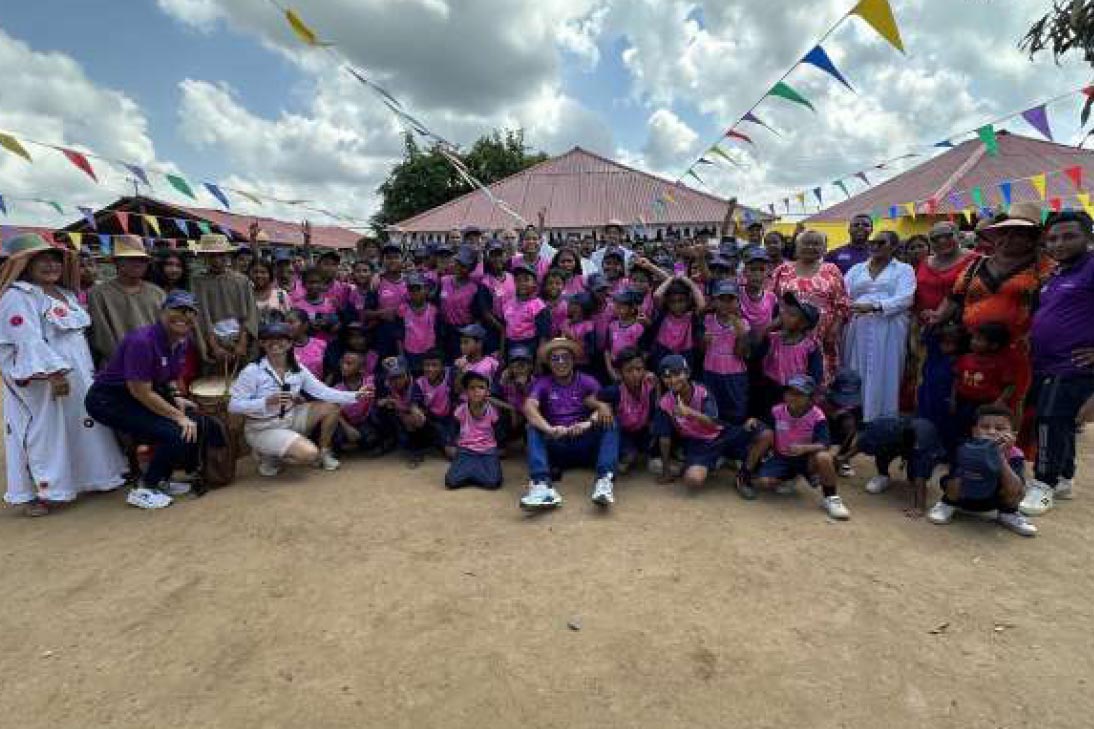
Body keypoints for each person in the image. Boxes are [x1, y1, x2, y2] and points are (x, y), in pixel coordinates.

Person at [1, 233, 128, 515]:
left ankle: (92, 477)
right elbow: (26, 339)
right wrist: (54, 373)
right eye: (41, 260)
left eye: (54, 259)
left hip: (79, 374)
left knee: (83, 424)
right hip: (42, 379)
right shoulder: (17, 296)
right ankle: (45, 490)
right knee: (45, 431)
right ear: (24, 264)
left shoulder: (67, 294)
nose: (50, 265)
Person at [925, 202, 1054, 444]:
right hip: (974, 346)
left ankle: (1006, 459)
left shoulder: (1044, 267)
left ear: (1032, 238)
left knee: (1008, 403)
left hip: (1017, 352)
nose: (1007, 238)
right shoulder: (977, 264)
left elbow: (1057, 305)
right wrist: (937, 317)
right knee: (967, 397)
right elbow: (954, 297)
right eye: (1003, 232)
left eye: (1017, 233)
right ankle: (966, 453)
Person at [85, 291, 217, 510]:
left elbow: (169, 378)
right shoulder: (142, 341)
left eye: (189, 312)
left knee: (195, 422)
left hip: (135, 397)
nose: (182, 316)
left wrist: (176, 399)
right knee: (177, 431)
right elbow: (140, 391)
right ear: (162, 312)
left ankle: (161, 479)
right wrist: (178, 417)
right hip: (108, 401)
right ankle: (145, 487)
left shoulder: (182, 341)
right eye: (176, 310)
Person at [228, 321, 372, 476]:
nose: (275, 343)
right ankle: (268, 455)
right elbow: (234, 405)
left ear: (290, 343)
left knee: (331, 407)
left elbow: (322, 391)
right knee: (309, 454)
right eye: (269, 339)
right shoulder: (252, 371)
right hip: (263, 427)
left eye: (281, 339)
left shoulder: (297, 368)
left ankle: (325, 452)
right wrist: (266, 401)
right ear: (262, 343)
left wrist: (355, 395)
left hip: (289, 418)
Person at [1023, 211, 1094, 515]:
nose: (1059, 243)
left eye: (1069, 236)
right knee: (1060, 421)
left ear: (1088, 238)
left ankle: (1043, 485)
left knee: (1050, 421)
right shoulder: (1058, 272)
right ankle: (1064, 477)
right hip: (1046, 363)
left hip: (1071, 365)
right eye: (1052, 238)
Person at [522, 338, 619, 508]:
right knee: (532, 427)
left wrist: (587, 423)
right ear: (549, 363)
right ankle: (542, 485)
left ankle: (604, 481)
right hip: (557, 443)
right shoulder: (542, 383)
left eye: (565, 357)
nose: (561, 362)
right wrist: (550, 429)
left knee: (610, 421)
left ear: (573, 360)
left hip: (584, 441)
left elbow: (604, 406)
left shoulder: (587, 381)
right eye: (555, 358)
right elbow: (529, 407)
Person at [738, 375, 850, 520]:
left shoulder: (817, 416)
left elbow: (824, 443)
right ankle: (787, 476)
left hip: (806, 458)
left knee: (824, 456)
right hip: (782, 457)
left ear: (810, 398)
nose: (792, 397)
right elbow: (765, 425)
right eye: (789, 392)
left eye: (799, 394)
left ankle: (831, 498)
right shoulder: (777, 411)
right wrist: (754, 421)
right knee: (766, 482)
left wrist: (804, 448)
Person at [926, 404, 1037, 537]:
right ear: (974, 431)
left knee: (1020, 488)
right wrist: (979, 455)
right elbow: (954, 479)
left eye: (1000, 428)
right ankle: (947, 504)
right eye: (985, 427)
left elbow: (1015, 488)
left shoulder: (1015, 454)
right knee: (949, 479)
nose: (991, 432)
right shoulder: (964, 448)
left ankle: (1008, 513)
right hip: (964, 498)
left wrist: (999, 457)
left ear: (1012, 435)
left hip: (993, 500)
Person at [842, 231, 916, 422]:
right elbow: (843, 293)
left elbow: (906, 297)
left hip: (889, 327)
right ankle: (856, 418)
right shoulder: (856, 269)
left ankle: (883, 420)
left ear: (893, 246)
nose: (875, 246)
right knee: (857, 369)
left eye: (880, 242)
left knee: (887, 370)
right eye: (872, 242)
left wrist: (876, 306)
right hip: (858, 327)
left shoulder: (903, 269)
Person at [653, 354, 757, 490]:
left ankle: (743, 473)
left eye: (678, 374)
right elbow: (664, 438)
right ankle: (718, 459)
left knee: (764, 434)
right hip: (698, 444)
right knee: (693, 480)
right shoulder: (665, 403)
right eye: (667, 376)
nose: (672, 380)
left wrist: (689, 412)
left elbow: (713, 422)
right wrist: (666, 471)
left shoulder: (702, 391)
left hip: (721, 434)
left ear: (688, 373)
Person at [913, 222, 975, 439]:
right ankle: (928, 433)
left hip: (959, 332)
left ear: (957, 235)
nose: (941, 241)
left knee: (952, 382)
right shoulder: (924, 262)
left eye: (947, 236)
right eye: (935, 238)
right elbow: (917, 293)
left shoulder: (974, 260)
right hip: (929, 330)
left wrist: (943, 316)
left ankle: (951, 437)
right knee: (929, 380)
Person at [771, 229, 849, 386]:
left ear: (824, 248)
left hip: (822, 338)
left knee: (818, 379)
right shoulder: (783, 269)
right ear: (797, 246)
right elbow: (772, 299)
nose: (811, 247)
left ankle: (816, 408)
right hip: (789, 336)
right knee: (788, 377)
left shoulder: (831, 270)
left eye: (816, 243)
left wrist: (835, 327)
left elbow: (843, 302)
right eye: (806, 243)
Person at [86, 234, 165, 364]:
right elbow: (101, 335)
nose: (137, 264)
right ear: (117, 262)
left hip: (154, 360)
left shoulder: (157, 292)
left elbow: (164, 328)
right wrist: (122, 360)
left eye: (142, 260)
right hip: (118, 363)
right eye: (130, 259)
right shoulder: (98, 293)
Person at [191, 234, 259, 370]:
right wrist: (214, 346)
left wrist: (242, 343)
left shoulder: (241, 280)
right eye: (212, 256)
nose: (217, 261)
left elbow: (251, 312)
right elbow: (201, 316)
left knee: (243, 379)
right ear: (204, 257)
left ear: (227, 255)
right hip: (213, 341)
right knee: (215, 383)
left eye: (221, 255)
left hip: (240, 338)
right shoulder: (198, 282)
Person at [597, 348, 657, 474]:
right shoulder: (614, 391)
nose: (635, 374)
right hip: (623, 433)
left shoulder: (651, 387)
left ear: (645, 370)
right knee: (628, 458)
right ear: (620, 373)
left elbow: (659, 407)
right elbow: (591, 398)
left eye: (639, 369)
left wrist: (658, 385)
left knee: (656, 440)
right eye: (629, 370)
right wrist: (602, 406)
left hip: (643, 430)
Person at [445, 371, 503, 490]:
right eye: (472, 388)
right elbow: (454, 428)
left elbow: (499, 431)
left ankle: (471, 471)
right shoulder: (461, 409)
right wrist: (451, 444)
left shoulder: (492, 410)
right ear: (466, 392)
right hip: (466, 450)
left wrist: (500, 448)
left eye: (481, 387)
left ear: (487, 392)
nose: (476, 391)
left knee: (493, 482)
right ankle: (475, 469)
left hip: (488, 450)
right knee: (451, 481)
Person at [702, 280, 750, 423]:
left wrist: (741, 336)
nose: (726, 303)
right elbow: (701, 350)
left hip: (735, 374)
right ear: (714, 301)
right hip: (711, 371)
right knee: (712, 408)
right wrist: (703, 341)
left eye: (731, 299)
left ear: (738, 302)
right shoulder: (707, 320)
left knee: (736, 409)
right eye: (721, 299)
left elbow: (741, 354)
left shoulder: (743, 324)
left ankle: (735, 437)